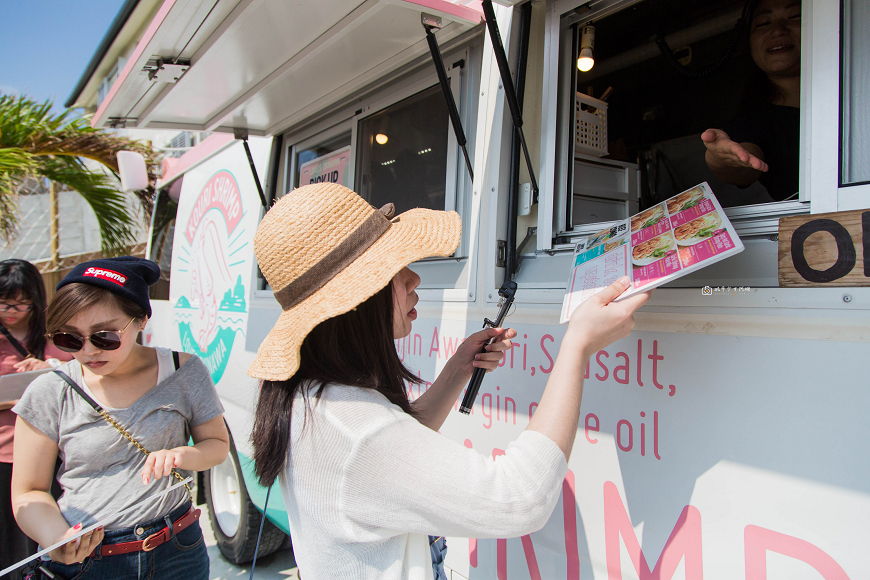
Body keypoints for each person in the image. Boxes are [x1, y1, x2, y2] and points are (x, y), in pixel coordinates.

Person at [248, 183, 652, 580]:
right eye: (393, 267)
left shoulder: (313, 395)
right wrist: (577, 345)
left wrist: (459, 368)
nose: (413, 279)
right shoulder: (356, 429)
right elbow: (522, 499)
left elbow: (392, 448)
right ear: (354, 302)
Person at [10, 257, 229, 580]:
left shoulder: (184, 370)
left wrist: (183, 455)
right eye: (69, 338)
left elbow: (217, 445)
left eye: (104, 336)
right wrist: (56, 537)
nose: (88, 351)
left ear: (140, 320)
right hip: (92, 561)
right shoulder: (49, 391)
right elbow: (29, 491)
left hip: (178, 547)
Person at [0, 259, 73, 580]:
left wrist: (48, 369)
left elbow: (83, 373)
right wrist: (21, 398)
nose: (11, 311)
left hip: (54, 453)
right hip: (5, 455)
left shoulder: (54, 331)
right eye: (3, 303)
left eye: (21, 303)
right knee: (11, 540)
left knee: (52, 536)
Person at [701, 0, 801, 202]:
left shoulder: (855, 93)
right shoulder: (753, 122)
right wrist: (720, 159)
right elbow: (744, 162)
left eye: (796, 17)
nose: (777, 31)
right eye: (764, 22)